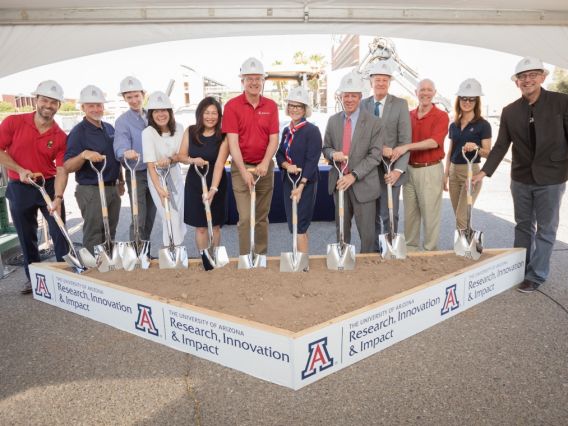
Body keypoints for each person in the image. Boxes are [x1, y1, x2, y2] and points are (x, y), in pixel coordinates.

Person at [472, 57, 568, 293]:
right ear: (517, 82)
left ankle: (536, 275)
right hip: (521, 177)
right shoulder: (510, 111)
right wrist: (484, 171)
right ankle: (518, 269)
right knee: (523, 226)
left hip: (552, 176)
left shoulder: (561, 102)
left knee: (546, 229)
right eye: (523, 77)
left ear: (542, 77)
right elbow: (501, 145)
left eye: (533, 75)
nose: (528, 80)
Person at [0, 80, 69, 294]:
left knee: (59, 231)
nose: (48, 105)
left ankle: (64, 277)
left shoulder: (60, 136)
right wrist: (20, 170)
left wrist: (58, 197)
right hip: (20, 186)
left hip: (47, 186)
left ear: (59, 106)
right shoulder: (13, 122)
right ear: (37, 100)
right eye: (45, 100)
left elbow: (61, 170)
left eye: (54, 102)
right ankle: (35, 279)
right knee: (26, 234)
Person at [222, 57, 279, 256]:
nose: (254, 82)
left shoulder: (271, 106)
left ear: (263, 81)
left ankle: (260, 255)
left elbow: (274, 140)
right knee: (246, 217)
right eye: (249, 79)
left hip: (265, 168)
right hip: (241, 167)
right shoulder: (232, 106)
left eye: (258, 78)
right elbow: (233, 142)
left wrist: (264, 163)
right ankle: (247, 256)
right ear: (242, 82)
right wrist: (244, 170)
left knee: (262, 217)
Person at [322, 71, 383, 253]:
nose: (349, 99)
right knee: (341, 229)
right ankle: (343, 259)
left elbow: (375, 155)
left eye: (353, 96)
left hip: (363, 184)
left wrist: (354, 176)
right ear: (341, 96)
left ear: (360, 97)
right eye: (346, 95)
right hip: (339, 184)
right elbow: (325, 147)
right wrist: (333, 154)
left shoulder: (374, 123)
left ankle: (367, 269)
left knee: (367, 233)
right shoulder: (333, 121)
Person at [64, 85, 125, 255]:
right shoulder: (78, 132)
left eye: (99, 105)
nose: (96, 109)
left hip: (112, 187)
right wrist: (83, 155)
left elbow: (115, 157)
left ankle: (107, 266)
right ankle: (93, 272)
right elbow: (68, 166)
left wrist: (121, 180)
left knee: (110, 230)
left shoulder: (109, 128)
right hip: (91, 190)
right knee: (94, 234)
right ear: (83, 107)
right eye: (91, 105)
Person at [391, 79, 449, 251]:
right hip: (408, 169)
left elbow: (433, 142)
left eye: (429, 90)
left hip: (429, 169)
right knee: (410, 215)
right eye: (422, 90)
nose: (425, 93)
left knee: (430, 214)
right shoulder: (409, 115)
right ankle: (411, 249)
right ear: (416, 93)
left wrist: (406, 147)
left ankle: (430, 250)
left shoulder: (441, 116)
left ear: (434, 93)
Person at [360, 60, 411, 249]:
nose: (381, 83)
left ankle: (390, 248)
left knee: (390, 212)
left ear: (389, 82)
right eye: (377, 79)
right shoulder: (362, 105)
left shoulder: (400, 104)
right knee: (369, 213)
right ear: (370, 82)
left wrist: (398, 170)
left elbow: (405, 140)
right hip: (368, 169)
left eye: (385, 80)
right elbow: (359, 138)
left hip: (391, 168)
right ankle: (372, 250)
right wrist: (380, 148)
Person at [177, 97, 229, 254]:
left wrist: (213, 189)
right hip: (195, 182)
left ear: (219, 116)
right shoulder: (191, 131)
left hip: (216, 181)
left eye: (214, 113)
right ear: (200, 113)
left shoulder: (223, 135)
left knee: (215, 226)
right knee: (200, 227)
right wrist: (193, 160)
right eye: (207, 112)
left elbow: (220, 164)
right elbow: (181, 156)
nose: (210, 117)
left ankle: (215, 255)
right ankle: (204, 257)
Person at [275, 86, 322, 254]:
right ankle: (302, 258)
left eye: (299, 106)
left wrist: (301, 185)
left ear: (305, 109)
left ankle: (301, 264)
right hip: (289, 181)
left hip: (305, 184)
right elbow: (280, 155)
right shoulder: (287, 131)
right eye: (292, 106)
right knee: (294, 223)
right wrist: (287, 166)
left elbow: (312, 160)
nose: (295, 109)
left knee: (300, 223)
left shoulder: (312, 131)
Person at [113, 76, 156, 251]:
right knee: (139, 217)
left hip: (155, 172)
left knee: (152, 215)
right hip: (136, 173)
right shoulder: (122, 121)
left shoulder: (152, 115)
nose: (134, 100)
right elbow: (120, 144)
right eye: (129, 97)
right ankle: (137, 253)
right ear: (124, 99)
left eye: (136, 95)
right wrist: (125, 152)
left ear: (143, 94)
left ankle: (145, 251)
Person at [444, 78, 492, 230]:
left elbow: (488, 153)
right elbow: (451, 150)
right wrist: (446, 174)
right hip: (453, 172)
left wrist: (476, 147)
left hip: (471, 172)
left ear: (476, 102)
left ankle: (466, 251)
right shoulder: (454, 124)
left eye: (471, 99)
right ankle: (464, 248)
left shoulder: (483, 125)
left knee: (461, 216)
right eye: (464, 98)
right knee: (458, 215)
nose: (467, 102)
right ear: (459, 100)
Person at [142, 91, 186, 247]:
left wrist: (171, 159)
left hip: (175, 176)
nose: (161, 114)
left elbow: (182, 154)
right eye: (156, 111)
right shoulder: (148, 133)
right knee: (169, 216)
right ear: (151, 114)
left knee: (178, 215)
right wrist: (160, 189)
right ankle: (170, 248)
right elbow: (150, 165)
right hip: (158, 178)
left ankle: (178, 247)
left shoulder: (179, 128)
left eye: (164, 110)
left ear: (170, 112)